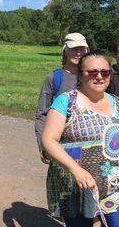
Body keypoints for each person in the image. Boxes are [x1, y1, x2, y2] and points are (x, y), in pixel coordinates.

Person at [42, 51, 119, 227]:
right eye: (92, 72)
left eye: (104, 72)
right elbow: (49, 140)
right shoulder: (66, 101)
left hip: (118, 184)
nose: (99, 77)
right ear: (80, 75)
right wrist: (76, 170)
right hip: (77, 185)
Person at [35, 32, 89, 163]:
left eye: (81, 49)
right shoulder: (54, 78)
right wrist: (44, 146)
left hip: (90, 145)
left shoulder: (94, 77)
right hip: (61, 146)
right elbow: (42, 114)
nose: (78, 53)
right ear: (65, 51)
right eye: (74, 49)